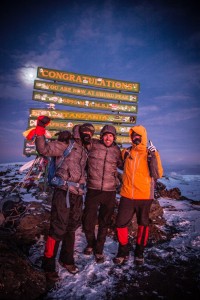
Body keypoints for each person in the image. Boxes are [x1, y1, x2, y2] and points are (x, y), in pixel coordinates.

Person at [34, 116, 95, 283]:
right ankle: (48, 266)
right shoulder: (66, 144)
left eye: (90, 132)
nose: (88, 134)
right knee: (57, 228)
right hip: (63, 192)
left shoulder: (85, 150)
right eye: (85, 131)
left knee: (71, 228)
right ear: (80, 132)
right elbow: (44, 150)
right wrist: (40, 128)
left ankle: (66, 259)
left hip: (77, 194)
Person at [113, 125, 163, 265]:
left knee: (143, 225)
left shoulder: (150, 153)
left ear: (143, 137)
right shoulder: (127, 152)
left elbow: (158, 174)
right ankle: (123, 251)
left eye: (138, 135)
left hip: (145, 196)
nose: (135, 137)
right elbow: (119, 165)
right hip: (127, 195)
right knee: (120, 224)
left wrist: (154, 155)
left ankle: (139, 252)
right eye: (133, 135)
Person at [82, 125, 123, 263]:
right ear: (101, 136)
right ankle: (90, 244)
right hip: (93, 189)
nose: (108, 138)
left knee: (104, 222)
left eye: (111, 136)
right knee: (88, 221)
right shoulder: (93, 144)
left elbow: (124, 165)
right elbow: (80, 145)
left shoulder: (117, 151)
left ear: (114, 138)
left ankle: (98, 250)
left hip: (110, 191)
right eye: (105, 135)